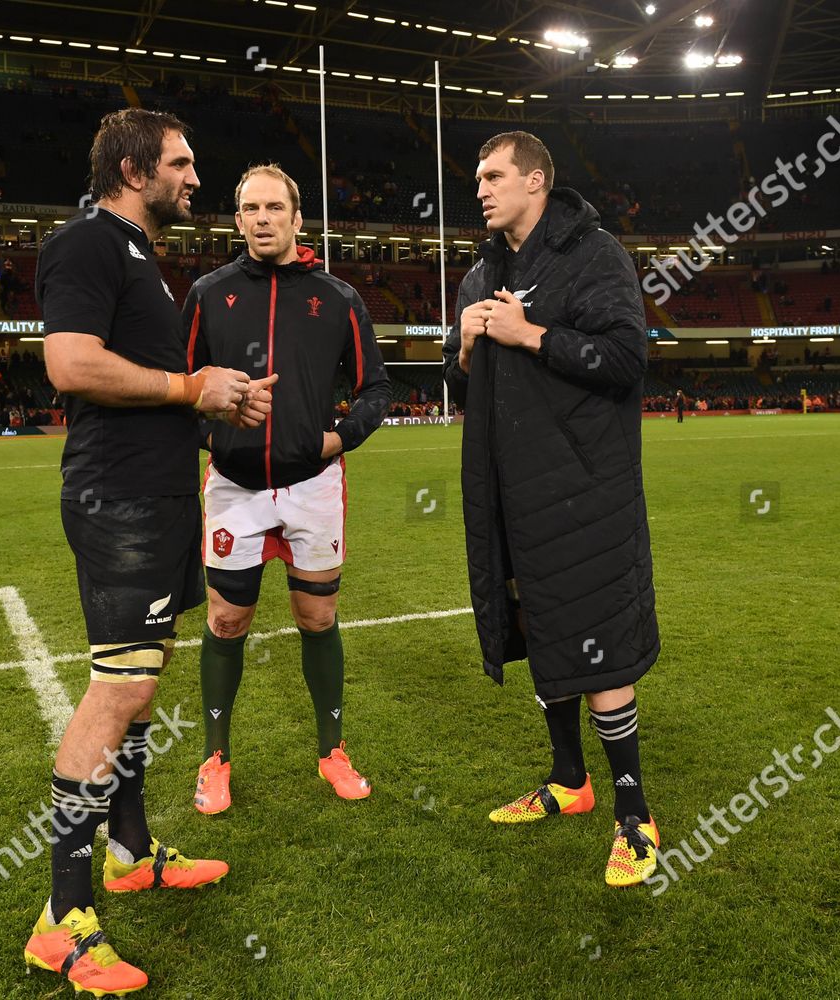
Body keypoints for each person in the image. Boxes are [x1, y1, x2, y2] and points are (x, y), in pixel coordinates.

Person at [28, 108, 273, 996]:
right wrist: (186, 383)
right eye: (182, 162)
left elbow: (163, 388)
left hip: (162, 497)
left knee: (145, 678)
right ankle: (61, 920)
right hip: (118, 500)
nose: (196, 178)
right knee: (121, 686)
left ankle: (131, 850)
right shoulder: (88, 244)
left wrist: (215, 401)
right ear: (134, 168)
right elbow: (70, 363)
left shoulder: (140, 259)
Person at [442, 130, 661, 888]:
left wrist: (530, 333)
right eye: (478, 176)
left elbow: (628, 360)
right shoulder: (480, 274)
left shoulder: (595, 254)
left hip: (587, 490)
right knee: (540, 632)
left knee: (602, 645)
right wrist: (465, 352)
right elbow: (465, 382)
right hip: (509, 492)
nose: (481, 188)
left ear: (536, 181)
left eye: (495, 174)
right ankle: (569, 781)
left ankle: (635, 816)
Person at [181, 164, 390, 815]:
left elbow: (376, 390)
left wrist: (337, 439)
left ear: (298, 218)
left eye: (276, 207)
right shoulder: (208, 294)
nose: (264, 218)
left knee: (317, 617)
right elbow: (175, 387)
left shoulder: (338, 297)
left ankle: (332, 750)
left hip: (313, 487)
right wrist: (215, 439)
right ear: (237, 220)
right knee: (225, 619)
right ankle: (215, 758)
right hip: (234, 489)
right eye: (251, 208)